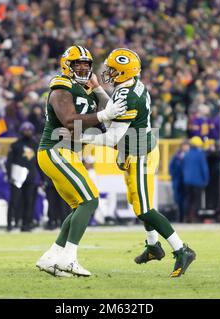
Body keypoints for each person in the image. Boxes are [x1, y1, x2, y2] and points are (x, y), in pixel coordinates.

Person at [63, 48, 196, 278]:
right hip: (133, 150)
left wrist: (81, 136)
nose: (108, 72)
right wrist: (98, 90)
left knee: (144, 208)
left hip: (140, 153)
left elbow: (113, 136)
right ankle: (153, 246)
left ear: (124, 71)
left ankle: (182, 250)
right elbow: (114, 117)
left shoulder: (127, 95)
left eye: (113, 69)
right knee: (138, 203)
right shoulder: (130, 86)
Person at [36, 45, 127, 277]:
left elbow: (111, 112)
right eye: (78, 64)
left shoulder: (86, 89)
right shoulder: (61, 85)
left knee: (80, 205)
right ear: (68, 65)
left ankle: (51, 257)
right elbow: (69, 121)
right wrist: (103, 115)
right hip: (55, 150)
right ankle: (69, 258)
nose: (83, 68)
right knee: (90, 201)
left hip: (69, 153)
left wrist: (98, 89)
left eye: (87, 65)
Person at [6, 121, 39, 232]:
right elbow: (9, 162)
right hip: (17, 177)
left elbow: (39, 163)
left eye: (29, 130)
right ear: (21, 131)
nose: (27, 132)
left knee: (29, 201)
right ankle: (10, 223)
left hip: (31, 177)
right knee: (14, 201)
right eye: (25, 130)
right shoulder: (15, 145)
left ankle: (26, 224)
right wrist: (10, 175)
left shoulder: (36, 145)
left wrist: (42, 178)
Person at [181, 136, 209, 223]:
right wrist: (206, 180)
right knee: (197, 200)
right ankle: (195, 217)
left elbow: (183, 168)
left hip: (187, 181)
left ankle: (186, 217)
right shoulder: (200, 154)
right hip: (198, 181)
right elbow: (204, 168)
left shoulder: (187, 154)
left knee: (188, 199)